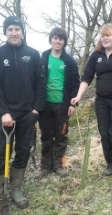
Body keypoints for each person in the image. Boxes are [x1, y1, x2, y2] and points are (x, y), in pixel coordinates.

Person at [0, 16, 46, 215]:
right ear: (5, 32)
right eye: (10, 29)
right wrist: (4, 112)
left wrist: (36, 110)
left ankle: (16, 191)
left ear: (22, 32)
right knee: (0, 156)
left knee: (22, 153)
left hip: (27, 115)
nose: (14, 32)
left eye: (17, 29)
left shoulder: (32, 54)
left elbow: (40, 83)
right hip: (6, 117)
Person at [71, 23, 112, 178]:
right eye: (102, 35)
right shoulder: (96, 55)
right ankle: (110, 163)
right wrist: (79, 96)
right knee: (105, 134)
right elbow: (87, 77)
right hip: (101, 102)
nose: (105, 38)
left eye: (108, 35)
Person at [35, 27, 80, 179]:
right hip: (44, 105)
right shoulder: (43, 58)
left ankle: (59, 165)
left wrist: (73, 104)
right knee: (46, 135)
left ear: (64, 42)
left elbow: (75, 84)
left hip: (62, 105)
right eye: (55, 38)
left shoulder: (70, 61)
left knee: (61, 135)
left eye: (61, 39)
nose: (57, 41)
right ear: (51, 39)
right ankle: (45, 165)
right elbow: (37, 80)